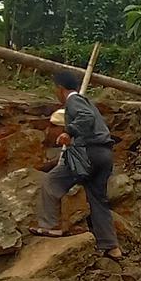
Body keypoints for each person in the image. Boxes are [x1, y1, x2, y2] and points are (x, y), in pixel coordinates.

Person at [30, 70, 122, 258]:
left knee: (52, 182)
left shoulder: (74, 101)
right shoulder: (87, 102)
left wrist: (69, 132)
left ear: (60, 88)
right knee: (98, 200)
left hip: (86, 155)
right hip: (104, 155)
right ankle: (111, 246)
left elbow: (85, 118)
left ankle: (51, 226)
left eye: (55, 89)